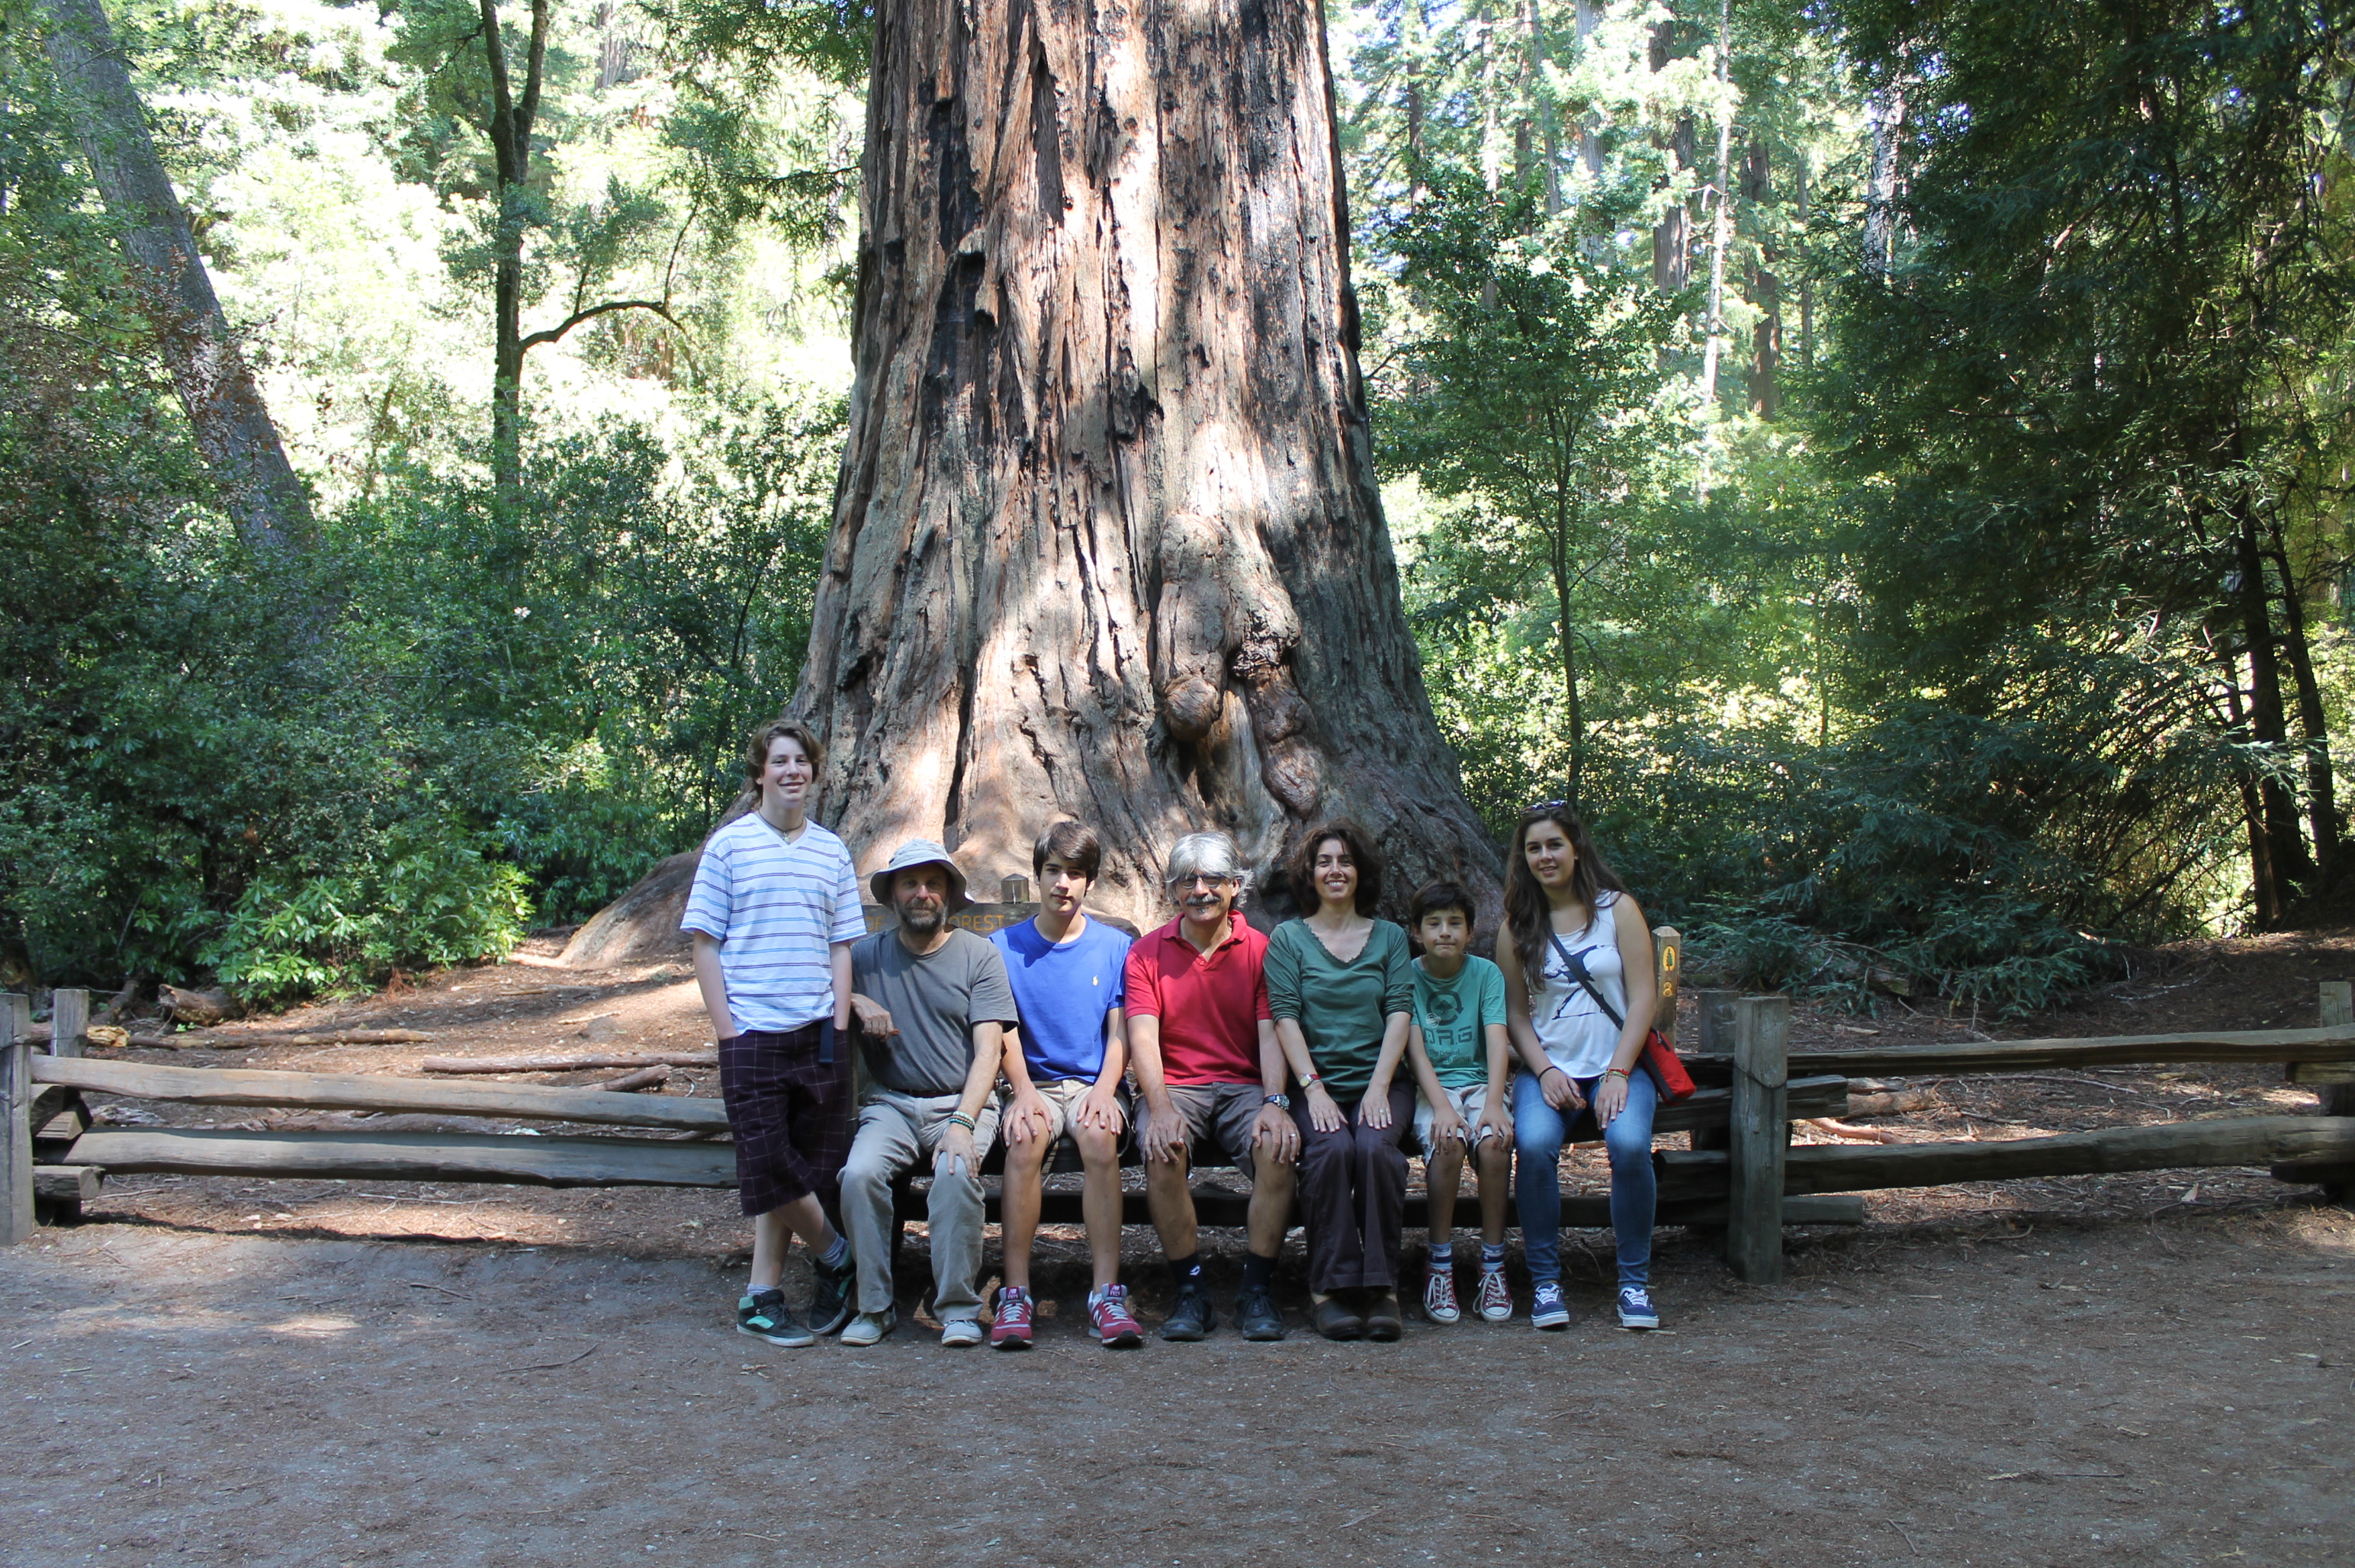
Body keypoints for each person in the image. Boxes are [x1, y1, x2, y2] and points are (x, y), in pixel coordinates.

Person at [681, 718, 864, 1348]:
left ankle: (762, 1296)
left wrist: (838, 1026)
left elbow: (841, 947)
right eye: (779, 761)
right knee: (766, 1161)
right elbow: (706, 946)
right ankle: (838, 1256)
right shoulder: (729, 847)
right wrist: (728, 1033)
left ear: (814, 773)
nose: (792, 771)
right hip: (751, 1033)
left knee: (804, 1168)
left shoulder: (831, 851)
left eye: (801, 761)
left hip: (818, 1032)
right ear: (760, 773)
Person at [837, 840, 1017, 1348]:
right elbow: (811, 987)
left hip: (961, 1101)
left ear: (949, 895)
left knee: (955, 1174)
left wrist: (962, 1123)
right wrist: (854, 999)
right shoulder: (866, 957)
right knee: (858, 1176)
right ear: (893, 895)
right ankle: (873, 1307)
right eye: (910, 883)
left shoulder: (979, 956)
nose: (922, 893)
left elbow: (989, 1051)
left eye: (933, 884)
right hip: (890, 1104)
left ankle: (958, 1309)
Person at [1494, 803, 1663, 1332]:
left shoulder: (1617, 910)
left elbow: (1644, 997)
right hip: (1550, 1069)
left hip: (1619, 1066)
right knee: (1535, 1145)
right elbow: (1515, 1015)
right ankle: (1546, 1282)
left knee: (1630, 1145)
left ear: (1575, 849)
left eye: (1554, 845)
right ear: (1524, 859)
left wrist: (1618, 1073)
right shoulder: (1516, 926)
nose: (1545, 856)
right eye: (1534, 848)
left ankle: (1633, 1284)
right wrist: (1545, 1071)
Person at [1124, 831, 1299, 1342]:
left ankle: (1256, 1291)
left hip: (1246, 1085)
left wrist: (1275, 1102)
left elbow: (1271, 1033)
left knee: (1277, 1148)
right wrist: (1159, 1108)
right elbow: (1142, 1037)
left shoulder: (1262, 950)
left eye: (1213, 879)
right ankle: (1191, 1291)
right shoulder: (1147, 953)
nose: (1200, 890)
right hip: (1178, 1085)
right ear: (1173, 890)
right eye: (1187, 880)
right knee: (1161, 1147)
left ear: (1235, 886)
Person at [988, 821, 1144, 1349]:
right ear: (1038, 875)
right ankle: (1015, 1292)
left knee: (1100, 1137)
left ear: (1089, 882)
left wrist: (1105, 1089)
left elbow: (1120, 1030)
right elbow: (1002, 1027)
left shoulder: (1114, 947)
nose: (1063, 883)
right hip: (1030, 1082)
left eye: (1075, 874)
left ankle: (1106, 1292)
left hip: (1093, 1082)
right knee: (1025, 1138)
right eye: (1053, 870)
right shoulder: (1004, 947)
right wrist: (1023, 1091)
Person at [1264, 821, 1416, 1341]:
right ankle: (1329, 1290)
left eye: (1346, 861)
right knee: (1329, 1150)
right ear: (1310, 873)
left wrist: (1379, 1086)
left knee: (1375, 1150)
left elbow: (1400, 1012)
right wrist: (1312, 1089)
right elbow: (1284, 1017)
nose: (1335, 870)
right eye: (1325, 861)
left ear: (1360, 872)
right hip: (1316, 1084)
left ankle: (1382, 1289)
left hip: (1383, 1082)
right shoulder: (1288, 939)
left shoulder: (1390, 937)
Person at [1399, 879, 1513, 1325]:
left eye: (1454, 923)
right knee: (1446, 1142)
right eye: (1434, 924)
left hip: (1482, 1083)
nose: (1444, 932)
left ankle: (1493, 1262)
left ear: (1470, 931)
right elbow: (1415, 1050)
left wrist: (1495, 1104)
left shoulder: (1486, 975)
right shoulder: (1407, 976)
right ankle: (1440, 1262)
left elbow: (1497, 1041)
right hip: (1432, 1087)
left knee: (1495, 1143)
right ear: (1417, 931)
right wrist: (1443, 1108)